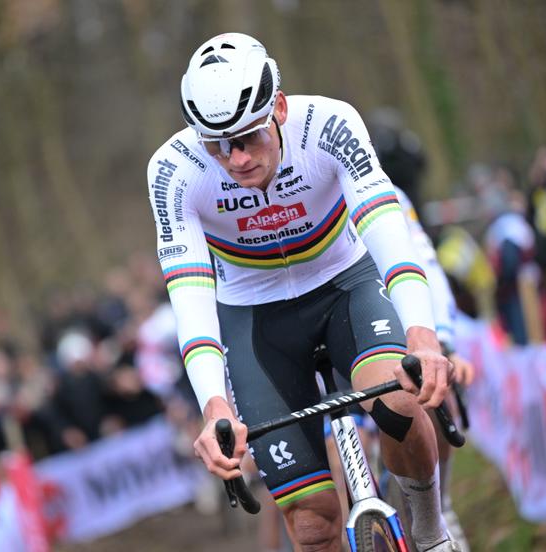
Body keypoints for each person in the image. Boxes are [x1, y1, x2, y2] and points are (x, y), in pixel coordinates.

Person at [148, 33, 456, 551]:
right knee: (312, 527)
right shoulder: (174, 171)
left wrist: (423, 334)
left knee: (400, 403)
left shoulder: (329, 125)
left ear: (280, 109)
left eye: (248, 138)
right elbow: (190, 292)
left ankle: (431, 534)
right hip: (255, 320)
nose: (236, 158)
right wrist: (213, 407)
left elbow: (386, 228)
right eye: (217, 145)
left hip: (345, 287)